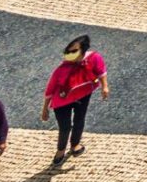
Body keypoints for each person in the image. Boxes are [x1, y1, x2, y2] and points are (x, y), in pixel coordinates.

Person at [40, 35, 107, 164]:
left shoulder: (94, 58)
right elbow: (50, 90)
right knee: (64, 127)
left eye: (74, 51)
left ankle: (75, 144)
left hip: (83, 95)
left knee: (79, 120)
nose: (70, 54)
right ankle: (61, 150)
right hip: (62, 101)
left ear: (83, 50)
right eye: (69, 51)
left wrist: (105, 86)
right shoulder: (61, 70)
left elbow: (101, 71)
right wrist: (45, 109)